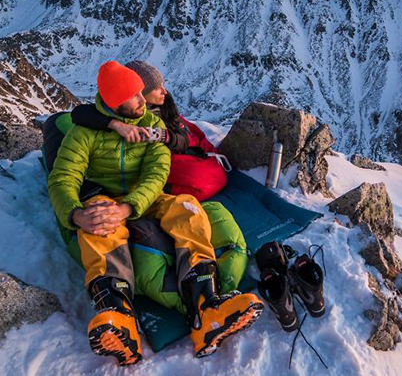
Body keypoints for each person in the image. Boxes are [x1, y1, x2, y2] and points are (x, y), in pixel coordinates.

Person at [47, 60, 263, 366]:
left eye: (140, 94)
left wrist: (128, 206)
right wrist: (76, 214)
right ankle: (120, 319)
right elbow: (62, 178)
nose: (141, 101)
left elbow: (156, 174)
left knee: (187, 208)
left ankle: (207, 305)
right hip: (106, 196)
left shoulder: (153, 126)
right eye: (132, 97)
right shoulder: (83, 134)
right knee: (97, 226)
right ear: (113, 104)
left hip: (145, 197)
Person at [71, 60, 229, 201]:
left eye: (163, 84)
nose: (164, 91)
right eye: (156, 88)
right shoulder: (125, 112)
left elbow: (183, 136)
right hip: (148, 165)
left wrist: (165, 136)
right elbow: (80, 113)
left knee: (211, 175)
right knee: (209, 179)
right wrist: (115, 124)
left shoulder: (164, 107)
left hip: (170, 149)